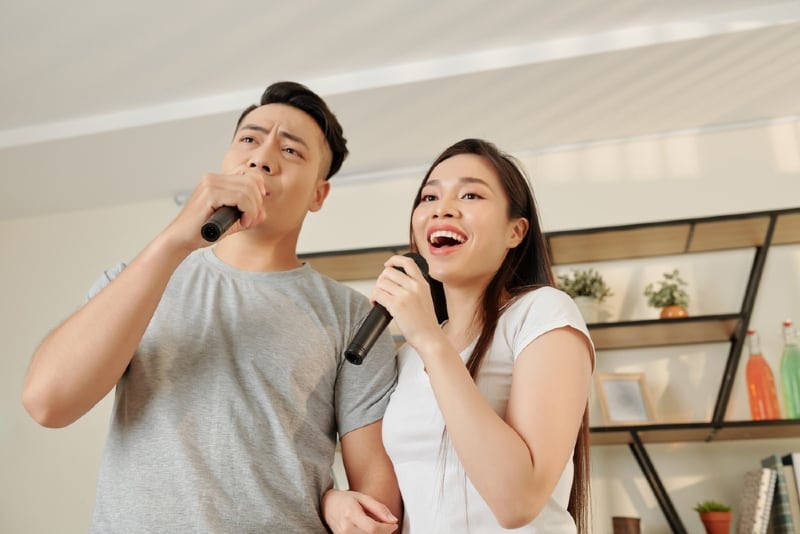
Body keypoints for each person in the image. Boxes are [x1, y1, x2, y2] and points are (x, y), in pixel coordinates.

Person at [21, 81, 402, 533]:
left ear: (319, 195)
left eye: (292, 151)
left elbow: (375, 505)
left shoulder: (354, 317)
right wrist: (173, 242)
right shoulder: (137, 280)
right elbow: (47, 403)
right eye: (249, 139)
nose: (261, 157)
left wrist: (334, 500)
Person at [334, 138, 595, 532]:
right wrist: (334, 501)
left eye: (471, 194)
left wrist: (428, 339)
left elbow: (517, 502)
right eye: (429, 197)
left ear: (515, 231)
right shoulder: (408, 357)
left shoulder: (542, 314)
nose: (443, 208)